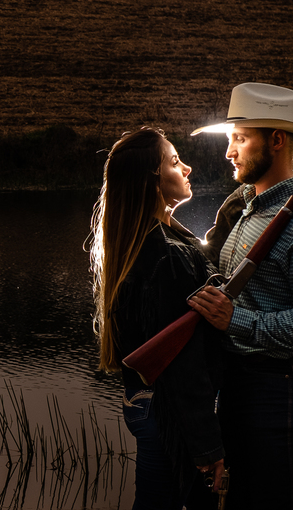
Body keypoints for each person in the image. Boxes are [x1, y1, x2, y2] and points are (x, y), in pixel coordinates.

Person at [187, 82, 293, 510]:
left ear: (276, 140)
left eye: (240, 138)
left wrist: (233, 319)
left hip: (280, 385)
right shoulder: (244, 208)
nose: (229, 152)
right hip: (238, 381)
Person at [89, 127, 225, 509]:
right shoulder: (167, 255)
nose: (187, 168)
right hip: (169, 412)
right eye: (175, 161)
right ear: (153, 180)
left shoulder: (137, 243)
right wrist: (207, 445)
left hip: (142, 403)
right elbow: (183, 361)